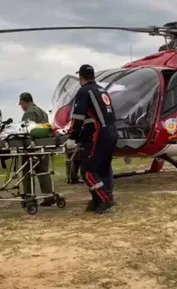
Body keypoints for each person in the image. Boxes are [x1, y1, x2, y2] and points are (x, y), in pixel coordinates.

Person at [65, 64, 118, 214]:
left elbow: (78, 117)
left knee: (87, 169)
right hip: (112, 132)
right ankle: (97, 201)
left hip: (98, 133)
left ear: (81, 78)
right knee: (103, 168)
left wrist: (72, 136)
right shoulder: (103, 90)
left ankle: (105, 198)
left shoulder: (84, 91)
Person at [18, 92, 56, 207]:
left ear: (24, 102)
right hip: (44, 146)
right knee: (43, 171)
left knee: (27, 172)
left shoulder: (29, 113)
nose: (21, 107)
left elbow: (26, 130)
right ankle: (48, 195)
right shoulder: (43, 112)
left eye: (21, 104)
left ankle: (30, 197)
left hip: (31, 147)